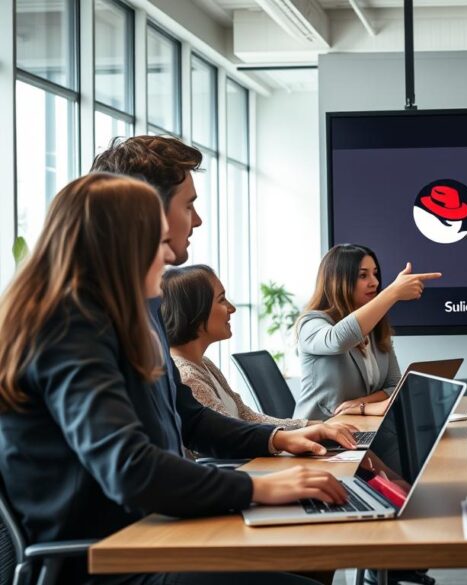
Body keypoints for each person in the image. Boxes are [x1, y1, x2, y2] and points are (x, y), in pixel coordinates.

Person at [0, 174, 357, 585]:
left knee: (309, 550)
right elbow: (129, 468)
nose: (169, 255)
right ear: (122, 248)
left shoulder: (96, 323)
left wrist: (271, 447)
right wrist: (255, 489)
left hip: (144, 538)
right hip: (109, 564)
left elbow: (185, 418)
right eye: (157, 242)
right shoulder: (69, 331)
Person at [294, 244, 441, 420]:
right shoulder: (311, 323)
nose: (375, 282)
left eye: (375, 274)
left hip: (361, 426)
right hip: (319, 432)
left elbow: (394, 386)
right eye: (363, 275)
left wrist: (362, 404)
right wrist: (391, 293)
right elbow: (337, 341)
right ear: (338, 281)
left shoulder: (373, 326)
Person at [162, 265, 312, 430]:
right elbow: (232, 434)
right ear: (194, 310)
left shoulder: (204, 363)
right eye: (221, 299)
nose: (232, 308)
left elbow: (247, 416)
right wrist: (299, 434)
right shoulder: (186, 376)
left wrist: (308, 426)